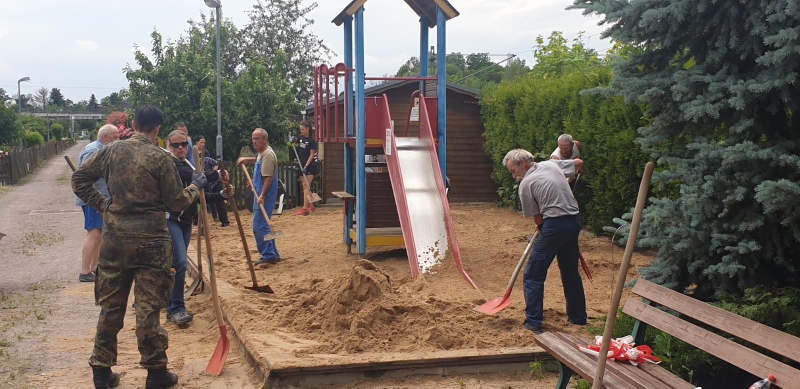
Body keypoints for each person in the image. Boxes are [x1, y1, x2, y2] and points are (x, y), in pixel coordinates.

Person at [72, 104, 210, 389]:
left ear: (133, 123)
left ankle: (101, 372)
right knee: (148, 308)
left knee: (111, 308)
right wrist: (196, 186)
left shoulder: (110, 151)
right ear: (158, 129)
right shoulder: (160, 159)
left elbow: (79, 179)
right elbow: (176, 203)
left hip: (115, 242)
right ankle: (156, 372)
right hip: (152, 243)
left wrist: (104, 205)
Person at [503, 148, 587, 335]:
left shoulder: (526, 185)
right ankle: (578, 318)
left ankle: (533, 322)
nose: (513, 175)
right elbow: (577, 164)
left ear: (522, 164)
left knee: (533, 275)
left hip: (554, 225)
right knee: (570, 272)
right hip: (574, 222)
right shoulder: (552, 164)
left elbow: (538, 218)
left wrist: (543, 228)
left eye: (513, 171)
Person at [165, 130, 231, 325]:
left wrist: (223, 196)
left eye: (183, 144)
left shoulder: (188, 163)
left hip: (185, 220)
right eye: (175, 145)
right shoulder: (171, 164)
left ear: (188, 145)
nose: (180, 148)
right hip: (171, 218)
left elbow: (200, 196)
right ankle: (177, 308)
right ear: (169, 146)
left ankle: (170, 305)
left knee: (176, 264)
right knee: (180, 262)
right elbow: (195, 177)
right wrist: (217, 174)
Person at [76, 124, 120, 282]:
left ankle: (94, 268)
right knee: (94, 233)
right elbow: (86, 178)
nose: (118, 139)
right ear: (105, 137)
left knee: (100, 233)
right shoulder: (94, 151)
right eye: (115, 137)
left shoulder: (104, 149)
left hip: (101, 199)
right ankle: (85, 271)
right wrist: (97, 203)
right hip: (93, 199)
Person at [237, 128, 280, 264]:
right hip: (261, 192)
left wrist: (262, 195)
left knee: (259, 225)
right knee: (265, 224)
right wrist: (247, 159)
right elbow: (257, 160)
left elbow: (268, 179)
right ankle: (273, 253)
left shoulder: (268, 155)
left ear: (265, 140)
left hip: (264, 194)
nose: (254, 141)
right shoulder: (263, 153)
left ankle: (268, 255)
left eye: (257, 139)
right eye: (253, 138)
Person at [292, 121, 319, 216]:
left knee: (305, 185)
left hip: (310, 165)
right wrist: (292, 140)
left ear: (308, 129)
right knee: (305, 186)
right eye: (300, 129)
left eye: (303, 129)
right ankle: (311, 205)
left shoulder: (312, 141)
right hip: (301, 163)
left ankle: (305, 208)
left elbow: (312, 155)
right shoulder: (301, 137)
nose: (301, 131)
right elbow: (296, 140)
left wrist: (306, 166)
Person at [203, 155, 230, 227]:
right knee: (209, 201)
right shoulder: (193, 164)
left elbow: (216, 164)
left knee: (220, 202)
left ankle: (225, 221)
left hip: (216, 183)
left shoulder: (207, 159)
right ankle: (214, 217)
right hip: (207, 185)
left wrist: (215, 172)